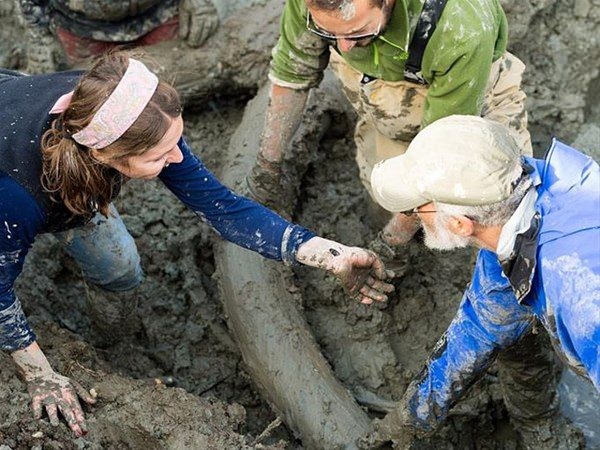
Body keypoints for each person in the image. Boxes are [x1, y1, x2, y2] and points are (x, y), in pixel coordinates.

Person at [0, 52, 394, 437]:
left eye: (177, 140)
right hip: (19, 177)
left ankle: (110, 342)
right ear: (105, 153)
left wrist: (328, 254)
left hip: (70, 178)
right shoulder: (19, 197)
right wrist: (40, 374)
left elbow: (221, 208)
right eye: (158, 155)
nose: (176, 157)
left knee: (120, 270)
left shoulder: (119, 108)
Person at [362, 115, 598, 449]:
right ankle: (539, 426)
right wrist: (409, 420)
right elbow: (484, 324)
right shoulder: (512, 207)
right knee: (516, 337)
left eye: (418, 209)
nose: (414, 214)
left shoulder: (583, 290)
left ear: (459, 224)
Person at [247, 0, 532, 245]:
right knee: (384, 192)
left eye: (358, 32)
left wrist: (391, 245)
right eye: (329, 33)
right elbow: (292, 74)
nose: (344, 46)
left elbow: (441, 158)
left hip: (467, 92)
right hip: (383, 90)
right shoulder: (320, 7)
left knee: (495, 213)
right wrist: (267, 166)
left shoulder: (459, 27)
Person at [18, 0, 219, 73]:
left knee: (173, 77)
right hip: (81, 24)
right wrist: (39, 36)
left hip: (158, 12)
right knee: (92, 93)